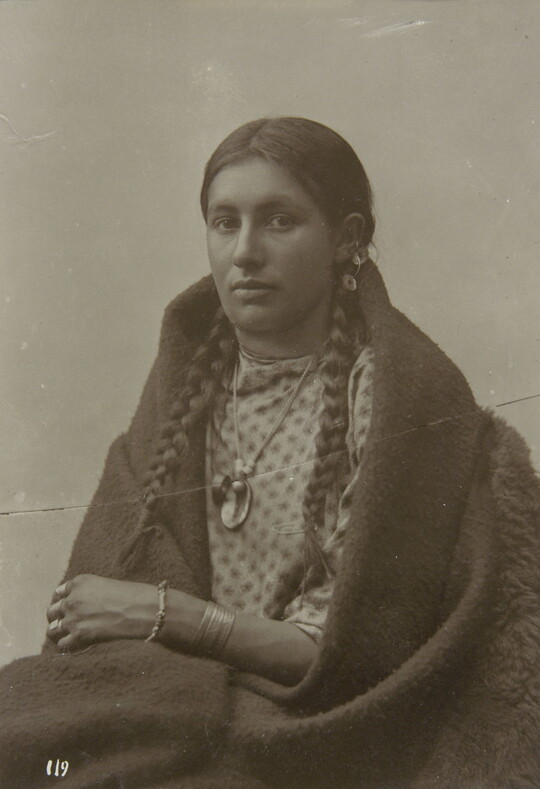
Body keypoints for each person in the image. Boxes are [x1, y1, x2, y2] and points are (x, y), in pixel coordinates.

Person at [1, 117, 539, 789]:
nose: (245, 252)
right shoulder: (189, 379)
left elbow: (347, 652)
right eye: (224, 223)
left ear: (347, 240)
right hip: (182, 706)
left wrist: (164, 613)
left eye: (278, 221)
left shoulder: (394, 398)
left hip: (331, 729)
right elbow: (94, 607)